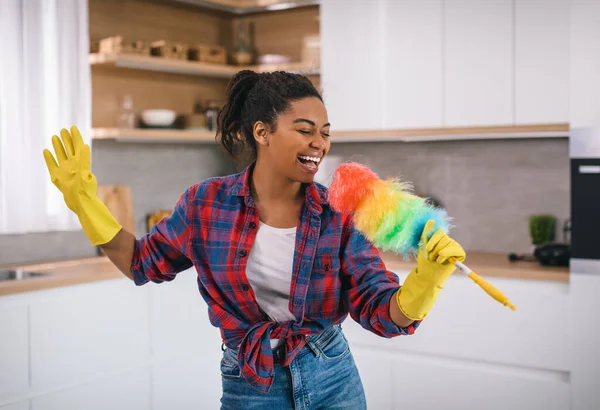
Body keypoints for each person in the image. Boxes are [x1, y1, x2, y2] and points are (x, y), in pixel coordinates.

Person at [42, 70, 466, 409]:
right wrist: (84, 203)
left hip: (332, 377)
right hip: (249, 384)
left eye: (325, 131)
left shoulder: (339, 214)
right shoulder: (205, 204)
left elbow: (380, 310)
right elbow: (141, 262)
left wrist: (426, 281)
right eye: (304, 129)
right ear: (262, 132)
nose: (319, 143)